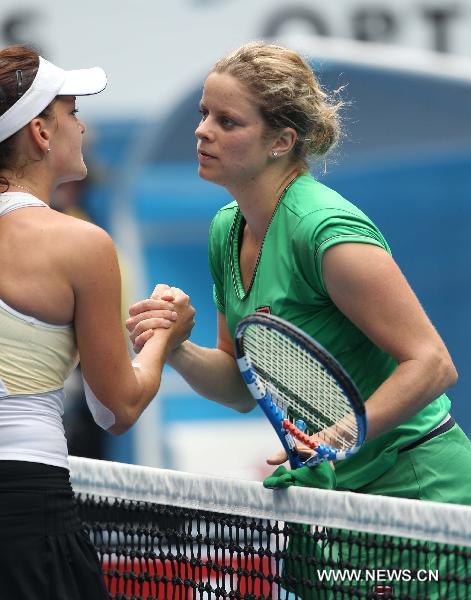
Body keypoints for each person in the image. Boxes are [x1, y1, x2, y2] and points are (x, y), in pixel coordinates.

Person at [126, 41, 471, 505]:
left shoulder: (326, 231)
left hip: (420, 486)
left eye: (227, 122)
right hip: (333, 494)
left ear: (281, 142)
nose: (202, 131)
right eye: (204, 113)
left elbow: (432, 364)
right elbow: (238, 384)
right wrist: (176, 346)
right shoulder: (226, 229)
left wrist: (334, 439)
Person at [0, 45, 195, 599]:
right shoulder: (81, 243)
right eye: (72, 113)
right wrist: (164, 336)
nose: (81, 128)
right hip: (23, 506)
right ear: (41, 132)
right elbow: (117, 408)